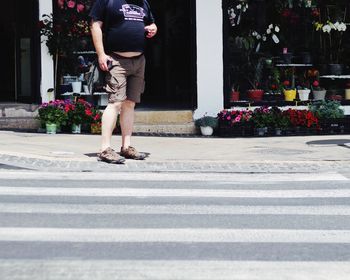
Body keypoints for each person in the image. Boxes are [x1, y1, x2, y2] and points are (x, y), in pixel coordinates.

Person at [89, 0, 157, 163]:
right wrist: (101, 54)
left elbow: (151, 24)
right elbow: (95, 25)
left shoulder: (144, 3)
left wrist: (153, 28)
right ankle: (105, 149)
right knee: (115, 103)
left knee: (130, 104)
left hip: (139, 61)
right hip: (117, 60)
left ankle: (126, 147)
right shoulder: (108, 1)